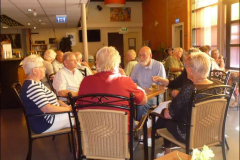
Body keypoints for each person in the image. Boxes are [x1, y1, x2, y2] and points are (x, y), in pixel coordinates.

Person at [152, 52, 218, 157]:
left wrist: (169, 107)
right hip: (210, 133)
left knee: (164, 115)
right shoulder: (217, 86)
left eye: (186, 66)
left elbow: (168, 115)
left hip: (188, 134)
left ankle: (155, 139)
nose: (185, 68)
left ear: (192, 69)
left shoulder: (189, 88)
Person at [78, 46, 147, 126]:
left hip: (91, 135)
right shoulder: (125, 81)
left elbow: (80, 106)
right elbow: (143, 101)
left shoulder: (85, 81)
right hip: (120, 135)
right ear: (117, 64)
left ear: (97, 64)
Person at [20, 55, 73, 134]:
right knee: (83, 117)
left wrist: (66, 106)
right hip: (45, 123)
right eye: (42, 67)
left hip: (51, 118)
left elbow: (54, 99)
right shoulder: (32, 86)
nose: (45, 68)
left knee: (81, 117)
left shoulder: (36, 83)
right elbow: (47, 108)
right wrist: (69, 109)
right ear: (34, 70)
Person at [131, 46, 166, 121]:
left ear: (150, 55)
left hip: (155, 96)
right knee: (128, 103)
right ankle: (133, 125)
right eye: (139, 55)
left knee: (141, 104)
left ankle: (140, 129)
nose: (141, 57)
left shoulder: (158, 66)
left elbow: (163, 86)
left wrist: (150, 90)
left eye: (143, 55)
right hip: (140, 94)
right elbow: (131, 82)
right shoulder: (137, 66)